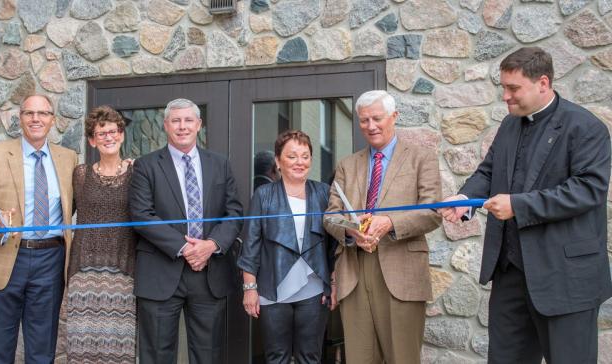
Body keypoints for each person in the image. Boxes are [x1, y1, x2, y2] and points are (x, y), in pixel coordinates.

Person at [439, 47, 611, 363]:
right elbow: (489, 172)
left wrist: (518, 205)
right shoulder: (509, 125)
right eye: (503, 87)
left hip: (566, 279)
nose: (505, 96)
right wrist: (465, 199)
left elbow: (588, 190)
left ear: (542, 83)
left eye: (513, 88)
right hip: (510, 276)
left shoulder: (586, 128)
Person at [323, 90, 442, 364]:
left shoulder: (421, 158)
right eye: (364, 120)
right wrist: (351, 232)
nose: (370, 126)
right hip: (354, 270)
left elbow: (433, 211)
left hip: (401, 271)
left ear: (394, 117)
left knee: (403, 358)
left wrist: (389, 222)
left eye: (377, 118)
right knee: (359, 359)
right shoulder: (346, 165)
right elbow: (330, 216)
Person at [128, 98, 243, 364]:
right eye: (176, 121)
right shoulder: (146, 166)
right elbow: (141, 215)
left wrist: (211, 244)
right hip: (160, 271)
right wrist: (187, 248)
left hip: (209, 272)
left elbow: (235, 213)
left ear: (199, 125)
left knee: (208, 355)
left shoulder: (220, 164)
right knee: (156, 355)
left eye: (188, 120)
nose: (182, 126)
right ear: (165, 125)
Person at [0, 94, 78, 363]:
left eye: (42, 114)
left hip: (51, 260)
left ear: (52, 120)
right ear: (20, 119)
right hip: (4, 256)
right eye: (29, 113)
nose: (36, 119)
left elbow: (76, 202)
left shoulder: (69, 158)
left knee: (42, 350)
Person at [238, 130, 338, 364]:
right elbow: (251, 243)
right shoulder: (264, 195)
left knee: (310, 357)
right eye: (292, 156)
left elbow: (334, 244)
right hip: (273, 287)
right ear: (278, 161)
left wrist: (333, 283)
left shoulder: (324, 192)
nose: (299, 162)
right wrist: (249, 288)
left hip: (313, 288)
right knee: (276, 357)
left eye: (305, 156)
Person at [65, 105, 136, 363]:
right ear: (92, 140)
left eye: (114, 131)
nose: (109, 137)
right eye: (101, 133)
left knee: (119, 349)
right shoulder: (80, 175)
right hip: (84, 273)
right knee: (82, 348)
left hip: (123, 273)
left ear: (122, 135)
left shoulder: (137, 173)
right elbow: (61, 211)